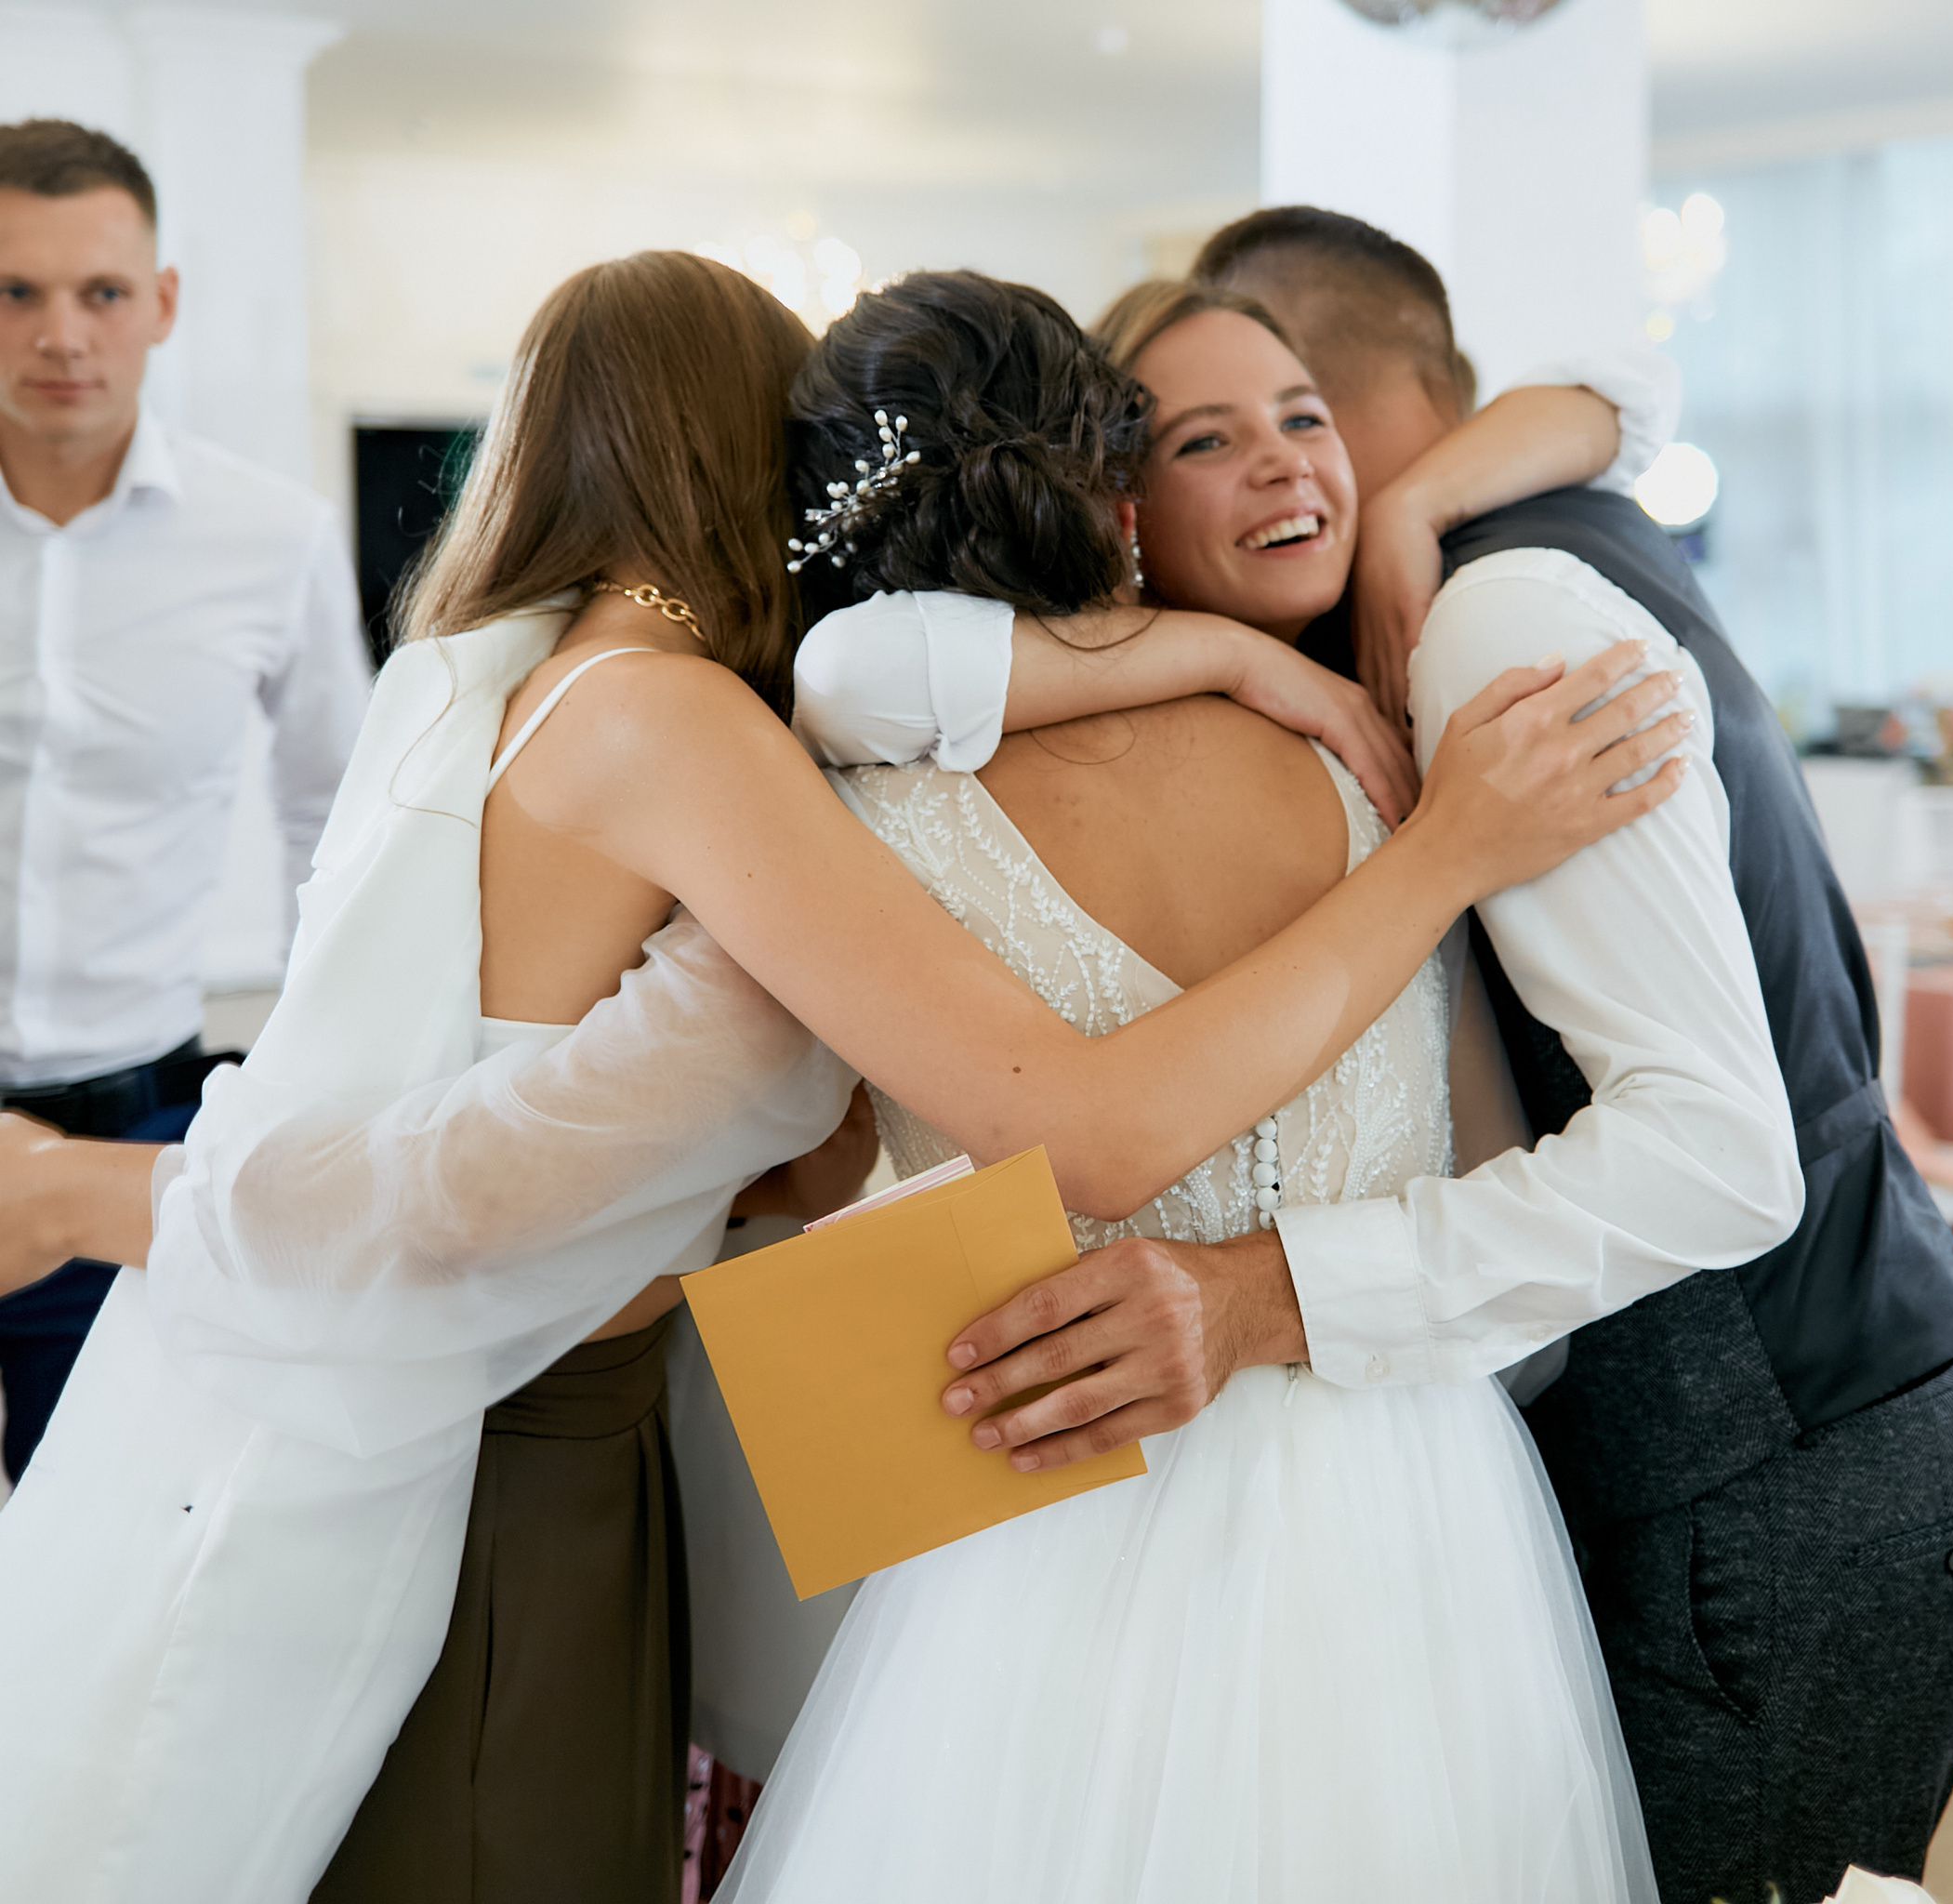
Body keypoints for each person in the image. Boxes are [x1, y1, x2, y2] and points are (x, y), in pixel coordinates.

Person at [0, 250, 1658, 1904]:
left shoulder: (501, 676)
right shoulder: (697, 723)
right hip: (523, 1421)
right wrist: (1419, 831)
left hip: (602, 1411)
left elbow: (750, 1116)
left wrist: (1216, 662)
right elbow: (1064, 1124)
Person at [941, 218, 1953, 1899]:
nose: (1281, 466)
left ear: (1366, 408)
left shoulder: (1491, 623)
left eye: (1294, 411)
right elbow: (1623, 393)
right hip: (1751, 1462)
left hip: (1771, 1482)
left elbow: (1712, 1152)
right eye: (1201, 435)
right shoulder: (1478, 580)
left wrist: (1261, 1295)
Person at [701, 267, 1669, 1902]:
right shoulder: (1368, 761)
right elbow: (1494, 1179)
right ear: (1119, 488)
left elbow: (806, 1155)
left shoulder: (841, 805)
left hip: (1040, 1512)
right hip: (1412, 1501)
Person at [0, 117, 370, 1477]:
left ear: (160, 305)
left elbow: (334, 823)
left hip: (132, 1142)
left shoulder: (273, 538)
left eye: (100, 293)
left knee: (99, 1556)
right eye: (14, 291)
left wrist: (323, 1080)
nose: (60, 335)